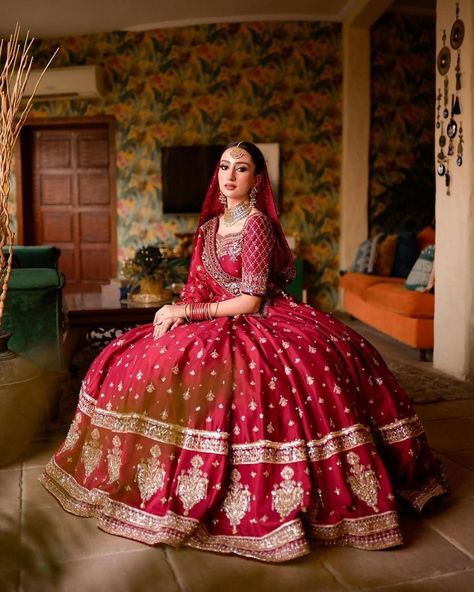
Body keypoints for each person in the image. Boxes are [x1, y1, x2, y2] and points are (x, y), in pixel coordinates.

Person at [41, 142, 447, 563]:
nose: (229, 175)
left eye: (242, 168)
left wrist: (189, 310)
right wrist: (177, 314)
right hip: (212, 317)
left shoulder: (257, 226)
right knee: (136, 355)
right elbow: (197, 287)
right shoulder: (208, 229)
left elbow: (252, 300)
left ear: (257, 180)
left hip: (261, 318)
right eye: (224, 167)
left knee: (258, 376)